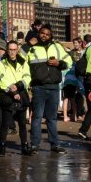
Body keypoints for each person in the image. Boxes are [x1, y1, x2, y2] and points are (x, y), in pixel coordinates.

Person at [27, 24, 72, 153]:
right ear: (38, 33)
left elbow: (69, 60)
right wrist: (28, 44)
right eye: (42, 33)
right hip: (38, 87)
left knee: (52, 118)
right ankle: (35, 144)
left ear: (51, 35)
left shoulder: (57, 47)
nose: (44, 35)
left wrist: (59, 63)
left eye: (47, 34)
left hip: (53, 87)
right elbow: (21, 60)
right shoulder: (32, 48)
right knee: (37, 117)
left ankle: (54, 145)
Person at [0, 39, 31, 155]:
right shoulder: (1, 63)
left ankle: (24, 146)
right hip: (7, 95)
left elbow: (27, 77)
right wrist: (12, 90)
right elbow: (2, 79)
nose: (12, 52)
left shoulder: (23, 62)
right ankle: (2, 147)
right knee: (5, 124)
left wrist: (19, 85)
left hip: (21, 94)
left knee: (22, 124)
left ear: (17, 50)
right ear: (7, 50)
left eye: (14, 50)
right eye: (10, 50)